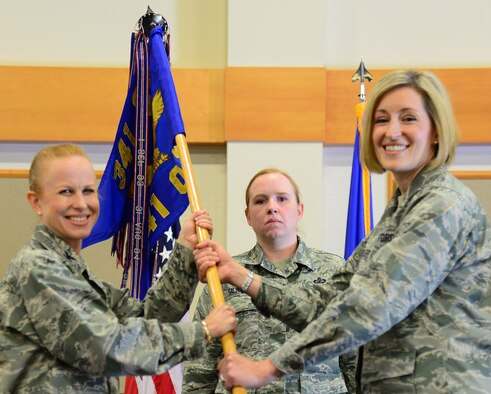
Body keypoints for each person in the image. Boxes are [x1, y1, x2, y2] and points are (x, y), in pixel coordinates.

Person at [194, 70, 491, 393]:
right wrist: (240, 276)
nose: (392, 132)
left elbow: (371, 305)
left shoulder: (441, 206)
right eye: (380, 120)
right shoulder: (398, 213)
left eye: (408, 118)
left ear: (436, 130)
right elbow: (330, 300)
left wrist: (267, 369)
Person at [0, 143, 237, 393]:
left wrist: (185, 254)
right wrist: (203, 331)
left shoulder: (74, 274)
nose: (81, 203)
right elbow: (104, 346)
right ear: (36, 202)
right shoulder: (38, 268)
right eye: (66, 192)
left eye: (89, 191)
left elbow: (147, 317)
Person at [183, 168, 355, 393]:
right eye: (260, 201)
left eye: (282, 199)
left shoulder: (335, 271)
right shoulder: (223, 276)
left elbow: (355, 358)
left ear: (299, 210)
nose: (272, 207)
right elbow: (200, 367)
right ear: (248, 216)